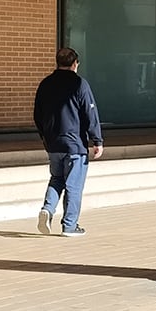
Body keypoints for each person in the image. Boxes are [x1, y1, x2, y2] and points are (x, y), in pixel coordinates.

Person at [33, 46, 104, 236]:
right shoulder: (80, 84)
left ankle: (47, 209)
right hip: (75, 144)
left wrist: (44, 136)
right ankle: (70, 225)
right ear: (75, 64)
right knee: (74, 185)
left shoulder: (45, 84)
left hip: (53, 143)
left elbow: (37, 114)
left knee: (57, 178)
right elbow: (90, 113)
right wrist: (97, 140)